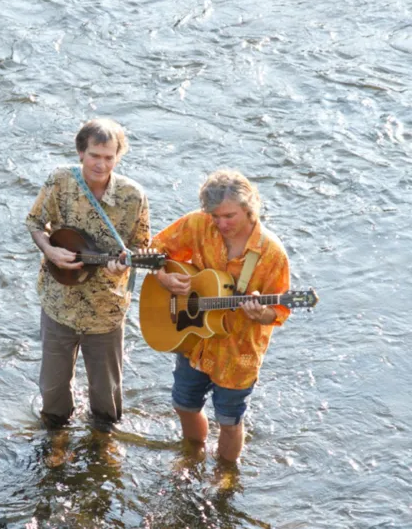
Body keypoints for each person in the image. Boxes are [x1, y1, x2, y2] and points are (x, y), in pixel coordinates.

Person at [148, 169, 290, 463]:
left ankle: (225, 475)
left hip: (238, 352)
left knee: (229, 419)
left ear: (249, 208)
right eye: (215, 216)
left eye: (229, 216)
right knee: (184, 404)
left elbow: (279, 311)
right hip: (195, 338)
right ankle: (193, 456)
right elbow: (154, 250)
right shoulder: (198, 224)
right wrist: (164, 278)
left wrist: (260, 312)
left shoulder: (271, 253)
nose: (221, 223)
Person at [25, 118, 151, 431]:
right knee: (53, 392)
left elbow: (140, 246)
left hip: (106, 309)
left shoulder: (133, 196)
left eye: (109, 157)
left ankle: (104, 444)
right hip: (59, 302)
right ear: (81, 152)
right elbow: (35, 223)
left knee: (107, 398)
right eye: (95, 155)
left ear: (118, 157)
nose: (101, 164)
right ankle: (54, 441)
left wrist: (125, 264)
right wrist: (50, 251)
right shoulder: (60, 181)